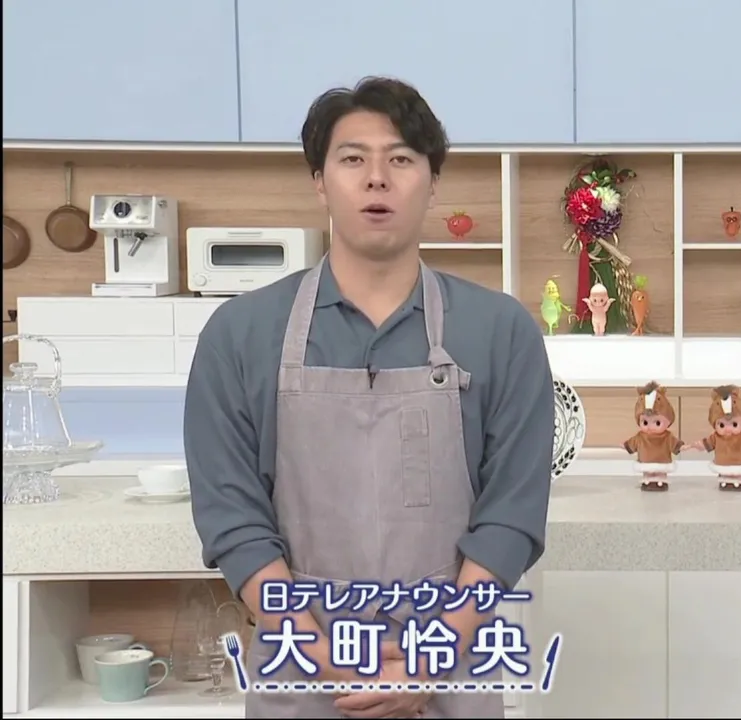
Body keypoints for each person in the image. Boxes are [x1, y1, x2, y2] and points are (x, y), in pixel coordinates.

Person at [185, 76, 554, 719]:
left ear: (432, 182)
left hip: (449, 667)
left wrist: (430, 656)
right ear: (319, 181)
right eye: (353, 158)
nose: (377, 178)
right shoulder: (238, 335)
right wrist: (326, 659)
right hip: (301, 670)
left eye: (401, 159)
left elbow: (511, 518)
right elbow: (233, 520)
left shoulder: (501, 332)